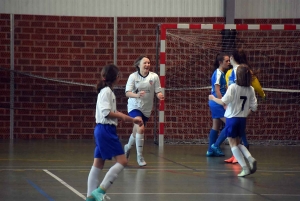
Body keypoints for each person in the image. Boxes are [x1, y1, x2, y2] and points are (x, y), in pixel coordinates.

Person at [86, 64, 143, 201]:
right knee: (122, 161)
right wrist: (123, 117)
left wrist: (130, 119)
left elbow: (113, 112)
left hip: (101, 130)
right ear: (117, 77)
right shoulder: (106, 92)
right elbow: (107, 113)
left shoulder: (107, 92)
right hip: (106, 130)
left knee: (98, 163)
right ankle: (100, 190)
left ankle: (90, 197)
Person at [211, 49, 266, 163]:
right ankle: (244, 157)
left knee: (233, 140)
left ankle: (244, 165)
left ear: (232, 58)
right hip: (242, 113)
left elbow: (226, 92)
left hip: (233, 111)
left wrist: (215, 99)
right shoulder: (247, 81)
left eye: (229, 58)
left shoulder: (234, 75)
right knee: (237, 137)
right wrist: (262, 95)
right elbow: (255, 92)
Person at [209, 64, 258, 177]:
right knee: (238, 142)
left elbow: (223, 102)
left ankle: (245, 168)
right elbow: (254, 107)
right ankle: (250, 158)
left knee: (233, 144)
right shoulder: (250, 89)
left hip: (231, 118)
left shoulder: (233, 87)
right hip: (242, 120)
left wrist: (213, 98)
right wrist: (245, 113)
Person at [124, 55, 164, 166]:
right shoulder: (133, 77)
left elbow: (157, 91)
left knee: (136, 131)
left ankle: (127, 147)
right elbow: (127, 93)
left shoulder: (154, 77)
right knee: (141, 127)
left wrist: (159, 95)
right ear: (138, 65)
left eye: (149, 63)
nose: (147, 65)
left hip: (146, 108)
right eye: (145, 63)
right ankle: (140, 157)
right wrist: (136, 95)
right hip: (134, 106)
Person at [206, 52, 230, 157]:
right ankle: (215, 145)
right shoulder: (218, 73)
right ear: (220, 62)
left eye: (229, 60)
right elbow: (217, 90)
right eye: (226, 61)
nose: (229, 63)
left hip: (215, 102)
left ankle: (210, 151)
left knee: (216, 125)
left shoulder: (223, 73)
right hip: (217, 102)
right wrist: (223, 103)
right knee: (230, 124)